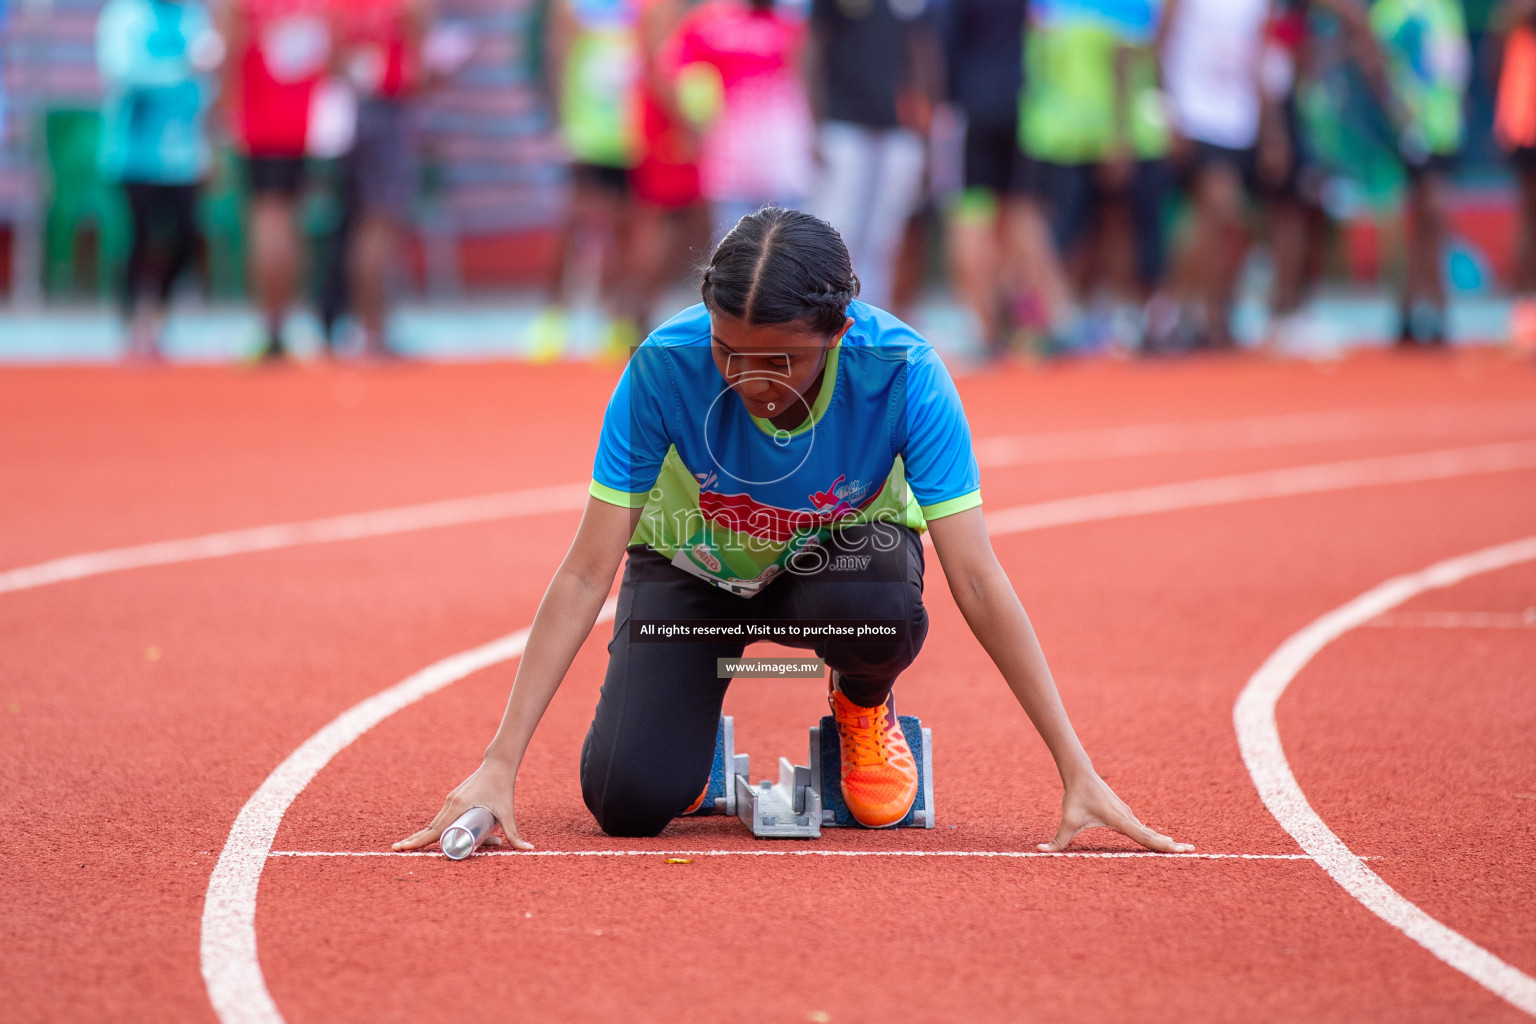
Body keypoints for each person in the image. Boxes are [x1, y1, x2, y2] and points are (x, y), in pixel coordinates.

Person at [394, 207, 1192, 854]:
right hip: (692, 579)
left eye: (778, 360)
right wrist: (499, 767)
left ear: (839, 332)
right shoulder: (662, 366)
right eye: (727, 351)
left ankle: (863, 704)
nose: (746, 380)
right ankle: (694, 739)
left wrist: (1074, 769)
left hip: (832, 571)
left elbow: (977, 578)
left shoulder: (904, 372)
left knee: (878, 599)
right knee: (627, 802)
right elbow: (583, 572)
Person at [1017, 0, 1171, 353]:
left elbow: (1126, 60)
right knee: (1071, 233)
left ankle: (1095, 316)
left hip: (1073, 134)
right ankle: (1061, 317)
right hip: (1059, 135)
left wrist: (1118, 135)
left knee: (1095, 230)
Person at [97, 0, 224, 361]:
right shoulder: (125, 14)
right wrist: (182, 69)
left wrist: (209, 143)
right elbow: (121, 71)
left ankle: (159, 314)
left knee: (185, 238)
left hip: (185, 155)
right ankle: (132, 322)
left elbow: (209, 79)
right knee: (140, 239)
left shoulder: (192, 17)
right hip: (135, 154)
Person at [808, 0, 941, 312]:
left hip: (896, 125)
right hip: (844, 125)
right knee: (838, 226)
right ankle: (827, 311)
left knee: (886, 234)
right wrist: (813, 121)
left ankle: (871, 313)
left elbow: (922, 48)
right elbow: (813, 46)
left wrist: (925, 122)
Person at [532, 0, 647, 360]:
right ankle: (554, 320)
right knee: (576, 226)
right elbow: (557, 61)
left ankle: (613, 321)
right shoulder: (573, 8)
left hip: (630, 135)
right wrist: (563, 124)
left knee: (624, 230)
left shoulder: (646, 8)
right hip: (588, 134)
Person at [316, 0, 431, 358]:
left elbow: (333, 61)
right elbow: (419, 63)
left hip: (353, 112)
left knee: (363, 224)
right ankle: (373, 330)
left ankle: (364, 327)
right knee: (380, 224)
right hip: (388, 109)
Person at [222, 0, 336, 360]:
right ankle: (283, 319)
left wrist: (226, 109)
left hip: (260, 122)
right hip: (303, 120)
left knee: (266, 219)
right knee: (290, 220)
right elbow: (333, 52)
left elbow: (227, 54)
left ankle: (270, 323)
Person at [1160, 0, 1269, 350]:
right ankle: (1183, 309)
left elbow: (1258, 56)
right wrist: (1168, 108)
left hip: (1239, 121)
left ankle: (1211, 310)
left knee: (1228, 222)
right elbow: (1162, 39)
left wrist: (1271, 129)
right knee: (1216, 209)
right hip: (1197, 115)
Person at [669, 0, 816, 241]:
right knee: (732, 258)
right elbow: (672, 72)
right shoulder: (710, 21)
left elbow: (808, 77)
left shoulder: (792, 18)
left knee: (787, 255)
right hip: (730, 163)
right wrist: (691, 129)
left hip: (784, 161)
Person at [1370, 0, 1469, 347]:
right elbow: (1377, 63)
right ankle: (1433, 309)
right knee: (1427, 213)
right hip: (1412, 129)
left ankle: (1412, 312)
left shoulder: (1447, 10)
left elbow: (1454, 70)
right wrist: (1397, 111)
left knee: (1430, 221)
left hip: (1445, 130)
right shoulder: (1393, 10)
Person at [940, 0, 1035, 356]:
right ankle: (1021, 321)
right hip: (1017, 103)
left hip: (971, 106)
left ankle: (983, 326)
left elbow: (942, 44)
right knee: (1013, 215)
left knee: (968, 218)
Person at [1493, 0, 1536, 354]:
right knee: (1529, 215)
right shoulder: (1517, 17)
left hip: (1520, 121)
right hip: (1525, 125)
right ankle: (1524, 314)